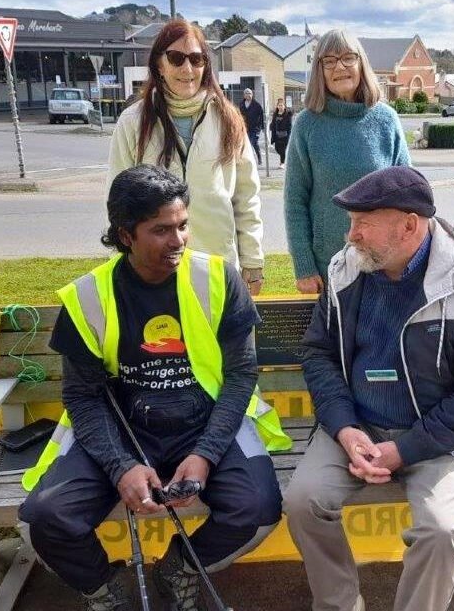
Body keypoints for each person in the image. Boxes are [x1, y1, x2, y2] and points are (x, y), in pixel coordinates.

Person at [19, 165, 287, 611]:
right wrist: (121, 466)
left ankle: (179, 568)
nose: (178, 240)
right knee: (46, 519)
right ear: (126, 235)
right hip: (122, 427)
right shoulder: (89, 296)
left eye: (183, 226)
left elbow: (241, 376)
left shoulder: (220, 279)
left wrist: (205, 455)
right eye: (161, 230)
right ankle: (105, 588)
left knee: (257, 507)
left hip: (207, 422)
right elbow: (83, 396)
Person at [284, 166, 454, 611]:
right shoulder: (346, 270)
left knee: (441, 531)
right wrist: (346, 429)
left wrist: (403, 450)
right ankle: (340, 605)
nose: (351, 236)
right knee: (303, 501)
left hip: (437, 435)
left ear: (409, 225)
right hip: (358, 426)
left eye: (362, 223)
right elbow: (319, 354)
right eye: (351, 223)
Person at [108, 19, 265, 296]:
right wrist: (123, 267)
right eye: (176, 58)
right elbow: (119, 205)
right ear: (159, 64)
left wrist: (252, 261)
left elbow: (246, 198)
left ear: (206, 65)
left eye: (196, 58)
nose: (187, 68)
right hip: (153, 272)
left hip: (217, 268)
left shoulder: (229, 119)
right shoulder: (133, 122)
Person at [284, 29, 411, 295]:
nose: (339, 67)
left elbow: (407, 198)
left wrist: (405, 257)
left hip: (384, 266)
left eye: (347, 58)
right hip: (327, 268)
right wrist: (304, 267)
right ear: (319, 70)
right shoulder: (307, 125)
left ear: (361, 63)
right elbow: (295, 202)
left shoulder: (386, 121)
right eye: (328, 61)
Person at [239, 87, 265, 166]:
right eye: (246, 93)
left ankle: (258, 158)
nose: (248, 95)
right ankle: (248, 159)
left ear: (252, 94)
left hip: (255, 128)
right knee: (247, 143)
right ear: (244, 95)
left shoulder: (256, 105)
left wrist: (262, 127)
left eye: (250, 93)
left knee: (253, 143)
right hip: (245, 128)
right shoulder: (241, 104)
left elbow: (262, 116)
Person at [269, 97, 292, 168]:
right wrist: (271, 127)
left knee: (283, 149)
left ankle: (282, 163)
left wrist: (289, 133)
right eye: (279, 105)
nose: (280, 107)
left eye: (282, 105)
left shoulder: (287, 114)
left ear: (284, 106)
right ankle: (283, 157)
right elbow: (273, 123)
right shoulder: (275, 114)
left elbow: (289, 125)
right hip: (277, 135)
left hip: (285, 135)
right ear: (277, 106)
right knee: (277, 148)